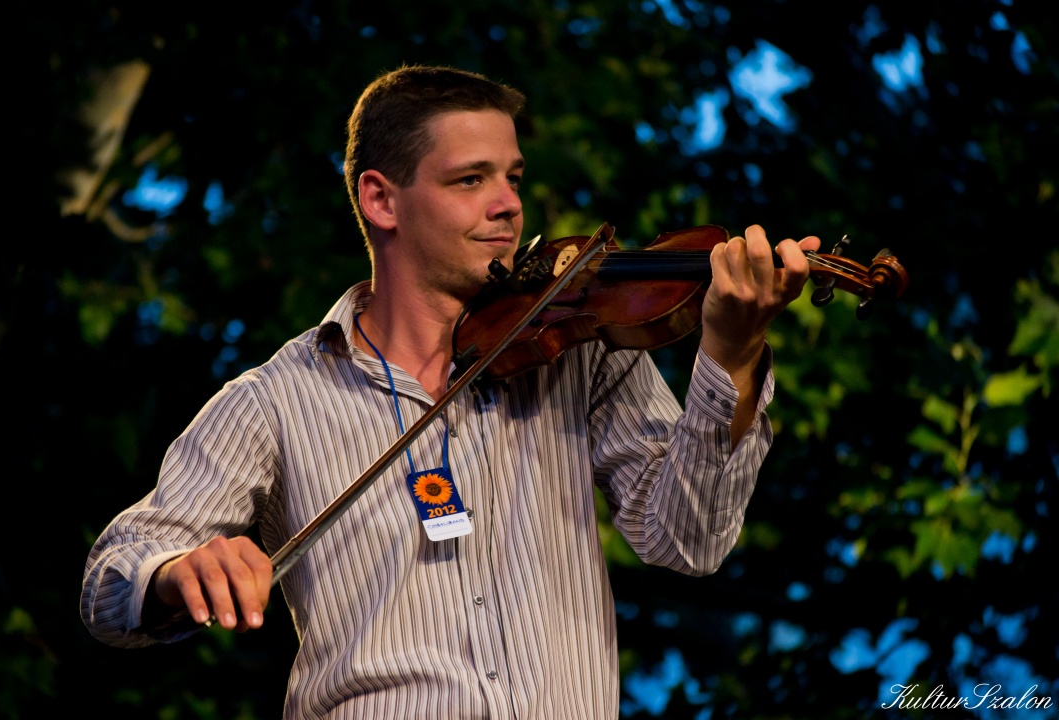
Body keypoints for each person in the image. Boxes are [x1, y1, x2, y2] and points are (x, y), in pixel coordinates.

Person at [81, 65, 819, 719]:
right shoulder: (275, 398)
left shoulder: (578, 347)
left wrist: (731, 352)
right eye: (471, 180)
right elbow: (111, 582)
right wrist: (174, 573)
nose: (508, 206)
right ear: (381, 200)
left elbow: (688, 542)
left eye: (513, 178)